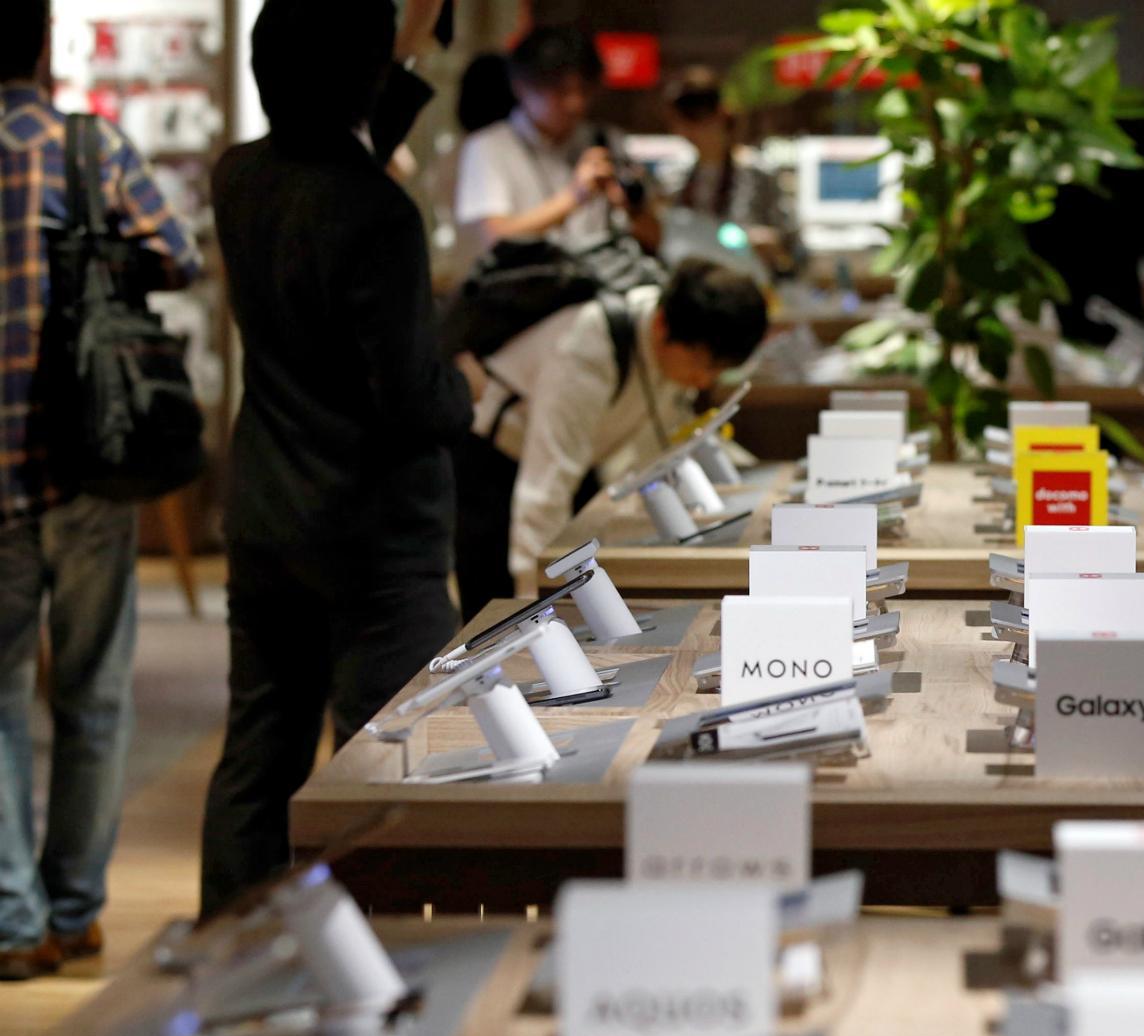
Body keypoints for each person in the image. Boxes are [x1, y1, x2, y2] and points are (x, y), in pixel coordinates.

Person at [199, 0, 475, 919]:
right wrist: (464, 390)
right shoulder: (379, 213)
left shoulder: (238, 178)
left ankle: (223, 964)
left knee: (259, 754)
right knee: (382, 761)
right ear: (362, 80)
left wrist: (391, 42)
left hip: (269, 510)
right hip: (374, 533)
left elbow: (335, 137)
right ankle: (383, 963)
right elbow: (407, 395)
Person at [0, 0, 200, 980]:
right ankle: (74, 907)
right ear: (43, 40)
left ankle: (12, 919)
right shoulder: (88, 149)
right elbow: (179, 256)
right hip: (87, 455)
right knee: (92, 693)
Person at [459, 258, 769, 609]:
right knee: (496, 602)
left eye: (719, 371)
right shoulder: (586, 349)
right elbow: (543, 491)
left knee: (583, 575)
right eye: (702, 364)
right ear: (662, 325)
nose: (704, 381)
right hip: (496, 466)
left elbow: (665, 439)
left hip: (579, 463)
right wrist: (536, 604)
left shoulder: (677, 334)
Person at [453, 25, 658, 258]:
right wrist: (574, 197)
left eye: (584, 90)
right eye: (560, 91)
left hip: (602, 285)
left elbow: (655, 238)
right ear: (521, 87)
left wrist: (633, 208)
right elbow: (496, 238)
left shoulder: (607, 140)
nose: (575, 103)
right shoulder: (488, 146)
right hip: (525, 289)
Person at [667, 66, 801, 279]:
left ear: (720, 115)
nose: (689, 132)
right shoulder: (675, 175)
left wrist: (767, 243)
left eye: (696, 121)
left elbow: (792, 246)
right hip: (690, 286)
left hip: (745, 283)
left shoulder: (758, 172)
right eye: (682, 123)